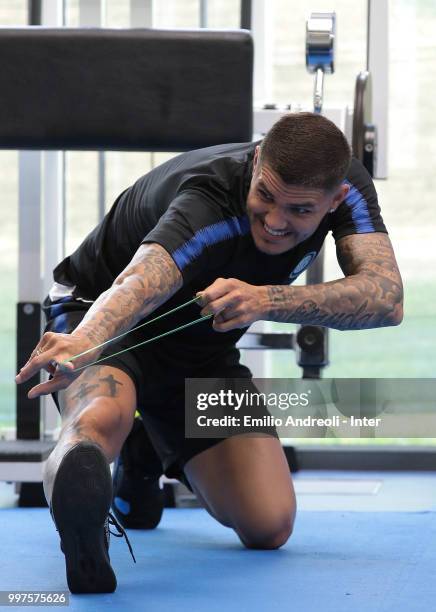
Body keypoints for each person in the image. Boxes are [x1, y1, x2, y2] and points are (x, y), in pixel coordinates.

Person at [15, 113, 403, 594]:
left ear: (335, 199)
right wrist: (83, 338)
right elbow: (139, 282)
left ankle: (142, 454)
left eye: (300, 211)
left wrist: (266, 300)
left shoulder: (348, 187)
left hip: (200, 346)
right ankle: (92, 493)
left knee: (270, 524)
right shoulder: (208, 197)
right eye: (266, 196)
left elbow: (386, 297)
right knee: (99, 419)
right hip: (100, 318)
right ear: (258, 160)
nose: (276, 221)